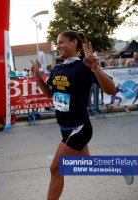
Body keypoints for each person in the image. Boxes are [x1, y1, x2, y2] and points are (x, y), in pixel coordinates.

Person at [32, 31, 132, 200]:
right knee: (86, 164)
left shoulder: (85, 66)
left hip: (80, 127)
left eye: (62, 42)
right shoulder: (58, 68)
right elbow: (50, 94)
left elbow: (111, 89)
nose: (58, 46)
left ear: (74, 43)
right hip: (64, 127)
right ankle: (121, 167)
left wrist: (95, 68)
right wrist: (38, 78)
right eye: (57, 43)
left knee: (56, 168)